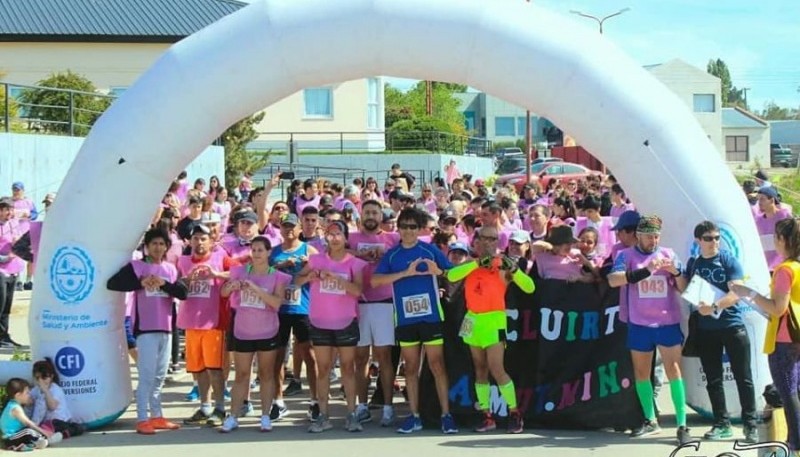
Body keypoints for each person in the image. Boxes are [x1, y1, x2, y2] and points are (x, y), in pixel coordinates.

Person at [372, 207, 458, 435]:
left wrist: (438, 271)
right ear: (398, 228)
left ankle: (446, 415)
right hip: (405, 318)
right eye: (404, 226)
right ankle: (414, 416)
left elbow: (452, 274)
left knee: (437, 365)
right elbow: (375, 281)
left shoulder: (429, 250)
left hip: (430, 317)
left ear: (419, 229)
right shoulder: (392, 255)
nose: (408, 231)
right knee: (410, 367)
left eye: (413, 227)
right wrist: (404, 274)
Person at [608, 215, 691, 445]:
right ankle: (650, 419)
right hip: (639, 322)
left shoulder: (668, 254)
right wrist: (646, 271)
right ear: (639, 235)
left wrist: (675, 271)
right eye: (649, 236)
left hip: (667, 322)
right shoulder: (626, 256)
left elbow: (684, 288)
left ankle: (682, 425)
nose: (653, 240)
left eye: (656, 236)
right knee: (642, 373)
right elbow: (613, 280)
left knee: (674, 370)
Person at [447, 225, 535, 433]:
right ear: (476, 241)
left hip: (494, 320)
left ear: (498, 242)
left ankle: (515, 413)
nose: (488, 242)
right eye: (484, 238)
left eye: (493, 239)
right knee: (480, 369)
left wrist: (513, 269)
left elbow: (530, 287)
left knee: (497, 368)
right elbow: (451, 276)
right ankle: (487, 416)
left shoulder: (503, 264)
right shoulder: (471, 263)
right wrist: (477, 263)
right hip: (473, 321)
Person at [107, 228, 188, 434]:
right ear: (146, 246)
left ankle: (157, 415)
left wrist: (164, 284)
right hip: (145, 329)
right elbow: (113, 283)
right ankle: (142, 418)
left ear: (167, 247)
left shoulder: (170, 269)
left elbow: (183, 293)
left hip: (167, 328)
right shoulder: (137, 266)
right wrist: (140, 283)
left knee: (160, 375)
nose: (158, 247)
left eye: (162, 244)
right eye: (154, 244)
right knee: (147, 375)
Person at [730, 217, 800, 455]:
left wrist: (748, 293)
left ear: (783, 240)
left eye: (776, 237)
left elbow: (778, 308)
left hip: (784, 338)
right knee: (796, 390)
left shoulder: (785, 269)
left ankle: (795, 443)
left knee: (788, 393)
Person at [683, 221, 757, 443]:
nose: (714, 242)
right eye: (708, 238)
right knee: (713, 379)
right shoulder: (694, 263)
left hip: (733, 325)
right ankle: (721, 423)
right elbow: (689, 290)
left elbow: (737, 292)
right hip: (707, 330)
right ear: (698, 241)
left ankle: (750, 425)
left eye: (716, 237)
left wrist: (714, 307)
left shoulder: (727, 259)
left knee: (744, 377)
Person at [296, 221, 367, 432]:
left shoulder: (355, 263)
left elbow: (357, 291)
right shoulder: (316, 259)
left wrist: (336, 278)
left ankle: (352, 415)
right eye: (330, 234)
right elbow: (298, 280)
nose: (334, 238)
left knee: (347, 368)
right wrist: (308, 276)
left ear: (345, 237)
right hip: (320, 321)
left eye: (338, 234)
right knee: (323, 369)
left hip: (346, 321)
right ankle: (323, 416)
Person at [219, 236, 291, 433]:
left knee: (266, 374)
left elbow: (276, 303)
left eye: (261, 250)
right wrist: (231, 286)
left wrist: (255, 288)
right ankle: (233, 416)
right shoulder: (240, 271)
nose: (257, 253)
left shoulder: (277, 276)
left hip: (268, 331)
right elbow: (224, 293)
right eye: (254, 250)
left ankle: (266, 415)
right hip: (243, 330)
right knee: (241, 374)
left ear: (269, 252)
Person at [349, 200, 401, 426]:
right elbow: (333, 252)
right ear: (361, 215)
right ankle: (362, 406)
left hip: (385, 303)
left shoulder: (393, 238)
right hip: (357, 303)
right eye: (367, 212)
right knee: (360, 358)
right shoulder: (351, 238)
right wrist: (358, 254)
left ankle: (388, 407)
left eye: (374, 212)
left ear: (381, 216)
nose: (370, 215)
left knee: (384, 357)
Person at [177, 225, 235, 427]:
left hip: (213, 323)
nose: (199, 242)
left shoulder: (220, 258)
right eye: (196, 238)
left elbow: (241, 271)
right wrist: (184, 280)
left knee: (215, 368)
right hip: (190, 323)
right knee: (198, 369)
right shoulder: (182, 261)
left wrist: (217, 274)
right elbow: (174, 283)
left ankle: (220, 408)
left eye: (203, 238)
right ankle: (205, 406)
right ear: (190, 241)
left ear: (211, 241)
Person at [270, 213, 320, 421]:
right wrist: (281, 266)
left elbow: (323, 268)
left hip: (303, 309)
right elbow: (262, 272)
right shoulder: (273, 252)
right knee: (278, 357)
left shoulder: (309, 250)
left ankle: (315, 401)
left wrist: (310, 264)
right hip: (279, 310)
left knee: (309, 355)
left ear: (300, 229)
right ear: (280, 229)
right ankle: (277, 401)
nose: (289, 230)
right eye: (285, 226)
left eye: (292, 227)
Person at [29, 359, 86, 438]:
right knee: (44, 427)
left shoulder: (55, 389)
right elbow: (30, 399)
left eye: (44, 378)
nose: (41, 381)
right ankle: (58, 434)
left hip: (59, 421)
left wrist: (46, 391)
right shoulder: (36, 389)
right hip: (46, 423)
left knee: (56, 425)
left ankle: (70, 430)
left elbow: (52, 406)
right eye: (38, 378)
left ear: (51, 376)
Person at [1, 378, 61, 451]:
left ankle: (38, 442)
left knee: (28, 431)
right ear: (18, 395)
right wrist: (44, 432)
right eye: (27, 393)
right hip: (10, 439)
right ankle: (46, 439)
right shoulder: (15, 408)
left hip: (16, 437)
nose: (29, 395)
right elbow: (28, 423)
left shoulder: (13, 404)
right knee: (28, 431)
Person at [0, 198, 25, 348]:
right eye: (7, 209)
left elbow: (21, 242)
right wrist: (4, 258)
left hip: (13, 270)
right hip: (1, 271)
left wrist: (18, 243)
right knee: (0, 305)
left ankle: (4, 336)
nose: (10, 213)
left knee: (7, 307)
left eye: (11, 209)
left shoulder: (14, 223)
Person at [755, 186, 792, 271]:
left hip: (783, 267)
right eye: (758, 199)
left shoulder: (784, 216)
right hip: (765, 269)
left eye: (762, 199)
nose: (759, 202)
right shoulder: (757, 221)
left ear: (771, 200)